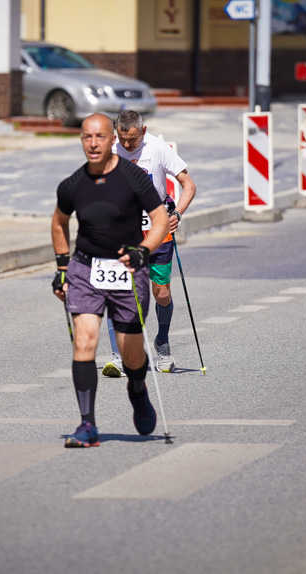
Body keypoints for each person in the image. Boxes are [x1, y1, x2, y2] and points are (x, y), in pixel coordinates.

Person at [51, 113, 169, 447]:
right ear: (81, 140)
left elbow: (159, 219)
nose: (93, 143)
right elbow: (58, 223)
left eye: (100, 137)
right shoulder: (73, 184)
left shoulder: (133, 177)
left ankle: (137, 388)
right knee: (84, 341)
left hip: (126, 268)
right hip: (86, 269)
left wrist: (144, 251)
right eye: (87, 137)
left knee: (130, 352)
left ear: (112, 139)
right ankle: (87, 424)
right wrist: (62, 269)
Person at [100, 110, 197, 377]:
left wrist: (177, 213)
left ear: (143, 131)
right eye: (122, 138)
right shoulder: (109, 148)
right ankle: (117, 356)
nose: (127, 145)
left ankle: (162, 345)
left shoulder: (158, 148)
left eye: (132, 139)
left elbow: (188, 184)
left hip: (156, 229)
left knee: (161, 292)